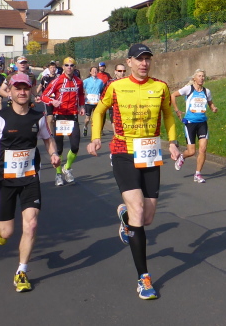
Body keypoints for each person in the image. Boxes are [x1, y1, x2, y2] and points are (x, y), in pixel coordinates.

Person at [87, 44, 180, 300]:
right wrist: (96, 137)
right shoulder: (116, 87)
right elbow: (99, 111)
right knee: (139, 211)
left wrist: (173, 143)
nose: (144, 63)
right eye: (139, 59)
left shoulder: (160, 87)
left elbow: (168, 115)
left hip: (150, 153)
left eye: (147, 59)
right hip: (123, 152)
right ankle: (143, 278)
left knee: (146, 218)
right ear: (129, 62)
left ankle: (124, 215)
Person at [0, 73, 61, 293]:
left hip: (30, 178)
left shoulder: (38, 117)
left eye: (25, 88)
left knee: (31, 224)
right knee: (7, 233)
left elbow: (48, 138)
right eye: (17, 88)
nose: (22, 92)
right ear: (10, 91)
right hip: (4, 181)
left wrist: (53, 154)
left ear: (30, 90)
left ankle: (21, 271)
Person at [40, 57, 85, 186]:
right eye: (66, 65)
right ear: (63, 67)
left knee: (75, 146)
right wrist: (52, 101)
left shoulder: (78, 81)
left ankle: (67, 167)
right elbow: (44, 96)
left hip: (73, 116)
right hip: (59, 117)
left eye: (71, 65)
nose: (69, 67)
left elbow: (81, 95)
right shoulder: (57, 81)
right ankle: (58, 174)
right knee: (58, 149)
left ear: (74, 67)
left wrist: (81, 106)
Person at [170, 69, 218, 183]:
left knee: (203, 149)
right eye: (199, 76)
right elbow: (173, 95)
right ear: (194, 78)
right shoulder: (189, 89)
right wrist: (177, 110)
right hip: (190, 123)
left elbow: (210, 103)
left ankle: (198, 174)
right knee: (191, 152)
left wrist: (213, 108)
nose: (201, 78)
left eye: (203, 76)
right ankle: (182, 157)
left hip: (202, 123)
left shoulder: (206, 91)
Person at [82, 66, 104, 137]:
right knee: (87, 119)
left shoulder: (100, 81)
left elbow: (102, 90)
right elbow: (81, 89)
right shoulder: (86, 81)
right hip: (88, 102)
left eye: (96, 70)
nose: (94, 71)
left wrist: (100, 96)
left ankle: (95, 132)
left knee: (95, 118)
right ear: (90, 72)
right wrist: (84, 94)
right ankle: (85, 126)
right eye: (93, 70)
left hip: (96, 102)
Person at [40, 62, 58, 132]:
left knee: (56, 119)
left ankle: (55, 132)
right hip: (48, 100)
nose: (53, 69)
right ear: (49, 69)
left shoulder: (59, 77)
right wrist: (36, 95)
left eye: (54, 67)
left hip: (57, 100)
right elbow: (41, 86)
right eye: (51, 68)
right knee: (50, 117)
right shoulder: (45, 78)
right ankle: (50, 134)